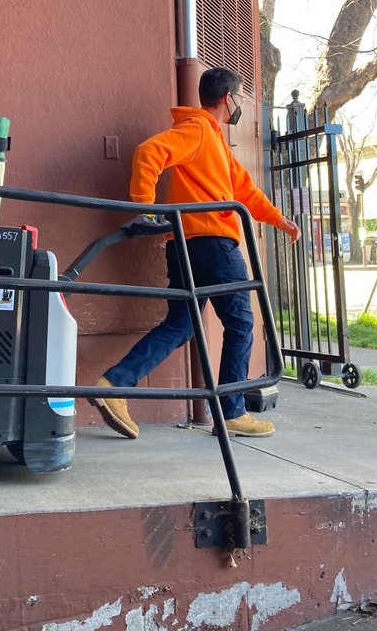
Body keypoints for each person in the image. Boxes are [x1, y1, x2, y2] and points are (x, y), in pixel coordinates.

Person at [91, 67, 301, 439]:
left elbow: (245, 191)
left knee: (182, 325)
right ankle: (231, 412)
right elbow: (149, 151)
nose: (240, 106)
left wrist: (278, 219)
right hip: (213, 244)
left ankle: (113, 386)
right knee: (240, 323)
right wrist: (146, 205)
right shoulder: (200, 130)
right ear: (227, 98)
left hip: (185, 246)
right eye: (240, 98)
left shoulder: (216, 142)